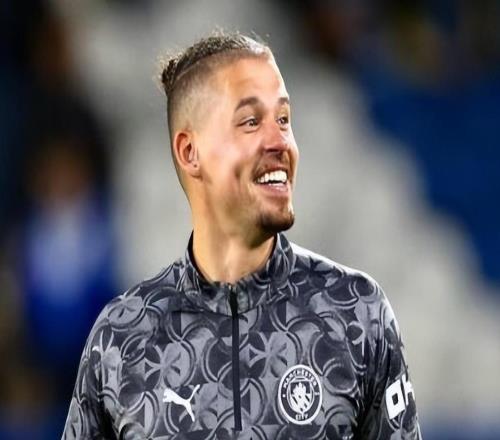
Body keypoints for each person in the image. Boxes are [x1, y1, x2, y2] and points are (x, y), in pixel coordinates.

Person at [62, 32, 421, 439]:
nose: (280, 141)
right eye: (251, 122)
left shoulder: (356, 312)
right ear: (190, 152)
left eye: (283, 120)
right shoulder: (122, 337)